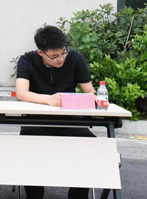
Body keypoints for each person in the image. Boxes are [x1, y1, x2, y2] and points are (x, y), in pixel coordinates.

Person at [15, 25, 97, 199]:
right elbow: (21, 94)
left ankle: (78, 196)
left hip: (70, 121)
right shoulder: (27, 60)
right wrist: (49, 100)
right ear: (41, 53)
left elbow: (89, 91)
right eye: (54, 56)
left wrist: (95, 98)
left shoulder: (75, 58)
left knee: (90, 145)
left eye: (63, 53)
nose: (61, 59)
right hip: (36, 121)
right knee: (30, 148)